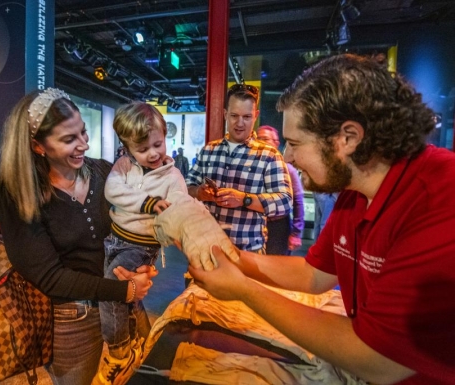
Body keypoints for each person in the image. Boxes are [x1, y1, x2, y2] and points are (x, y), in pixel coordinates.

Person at [189, 54, 455, 384]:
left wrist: (244, 289)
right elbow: (315, 274)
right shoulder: (354, 192)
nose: (287, 156)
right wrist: (232, 257)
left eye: (295, 142)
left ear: (347, 139)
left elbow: (381, 359)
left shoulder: (439, 199)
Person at [0, 88, 157, 385]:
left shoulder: (104, 172)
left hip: (123, 304)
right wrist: (125, 290)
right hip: (73, 321)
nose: (83, 144)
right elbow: (49, 277)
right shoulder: (17, 195)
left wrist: (142, 261)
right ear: (37, 146)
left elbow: (136, 226)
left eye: (83, 132)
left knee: (141, 374)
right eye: (69, 139)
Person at [95, 102, 188, 384]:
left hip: (140, 247)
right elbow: (112, 191)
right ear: (127, 149)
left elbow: (181, 210)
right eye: (142, 149)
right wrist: (148, 203)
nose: (153, 154)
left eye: (157, 144)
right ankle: (146, 342)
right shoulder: (123, 166)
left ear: (164, 136)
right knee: (128, 298)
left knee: (112, 290)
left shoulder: (173, 177)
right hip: (114, 240)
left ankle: (118, 349)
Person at [186, 83, 292, 252]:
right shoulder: (209, 150)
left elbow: (285, 202)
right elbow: (186, 187)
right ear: (225, 114)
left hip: (248, 253)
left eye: (247, 117)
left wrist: (244, 199)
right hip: (207, 248)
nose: (240, 123)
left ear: (255, 116)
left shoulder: (269, 155)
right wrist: (199, 192)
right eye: (234, 115)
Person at [256, 125, 304, 255]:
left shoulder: (287, 169)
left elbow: (298, 201)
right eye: (258, 138)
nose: (260, 142)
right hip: (256, 225)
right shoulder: (253, 168)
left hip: (278, 226)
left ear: (276, 143)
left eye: (265, 139)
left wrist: (296, 233)